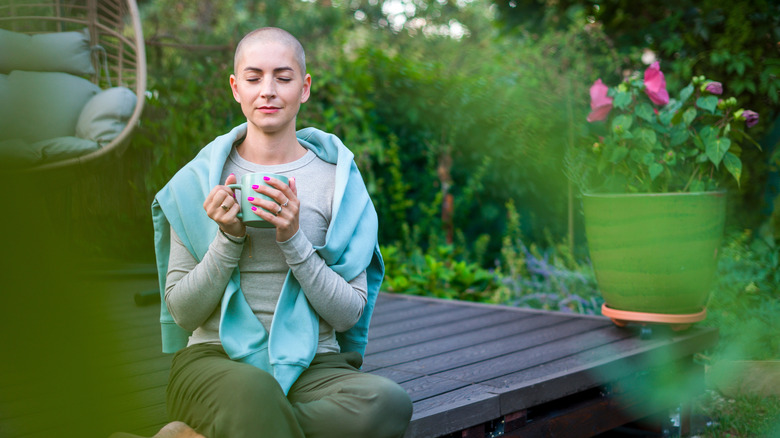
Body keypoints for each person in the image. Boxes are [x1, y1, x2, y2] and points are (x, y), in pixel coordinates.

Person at [140, 27, 412, 438]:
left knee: (389, 403)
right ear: (236, 88)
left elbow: (347, 314)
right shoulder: (198, 182)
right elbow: (184, 313)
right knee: (255, 393)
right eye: (254, 78)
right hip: (216, 362)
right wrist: (228, 239)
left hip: (314, 364)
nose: (267, 90)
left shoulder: (338, 183)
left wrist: (294, 241)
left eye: (283, 78)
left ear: (304, 88)